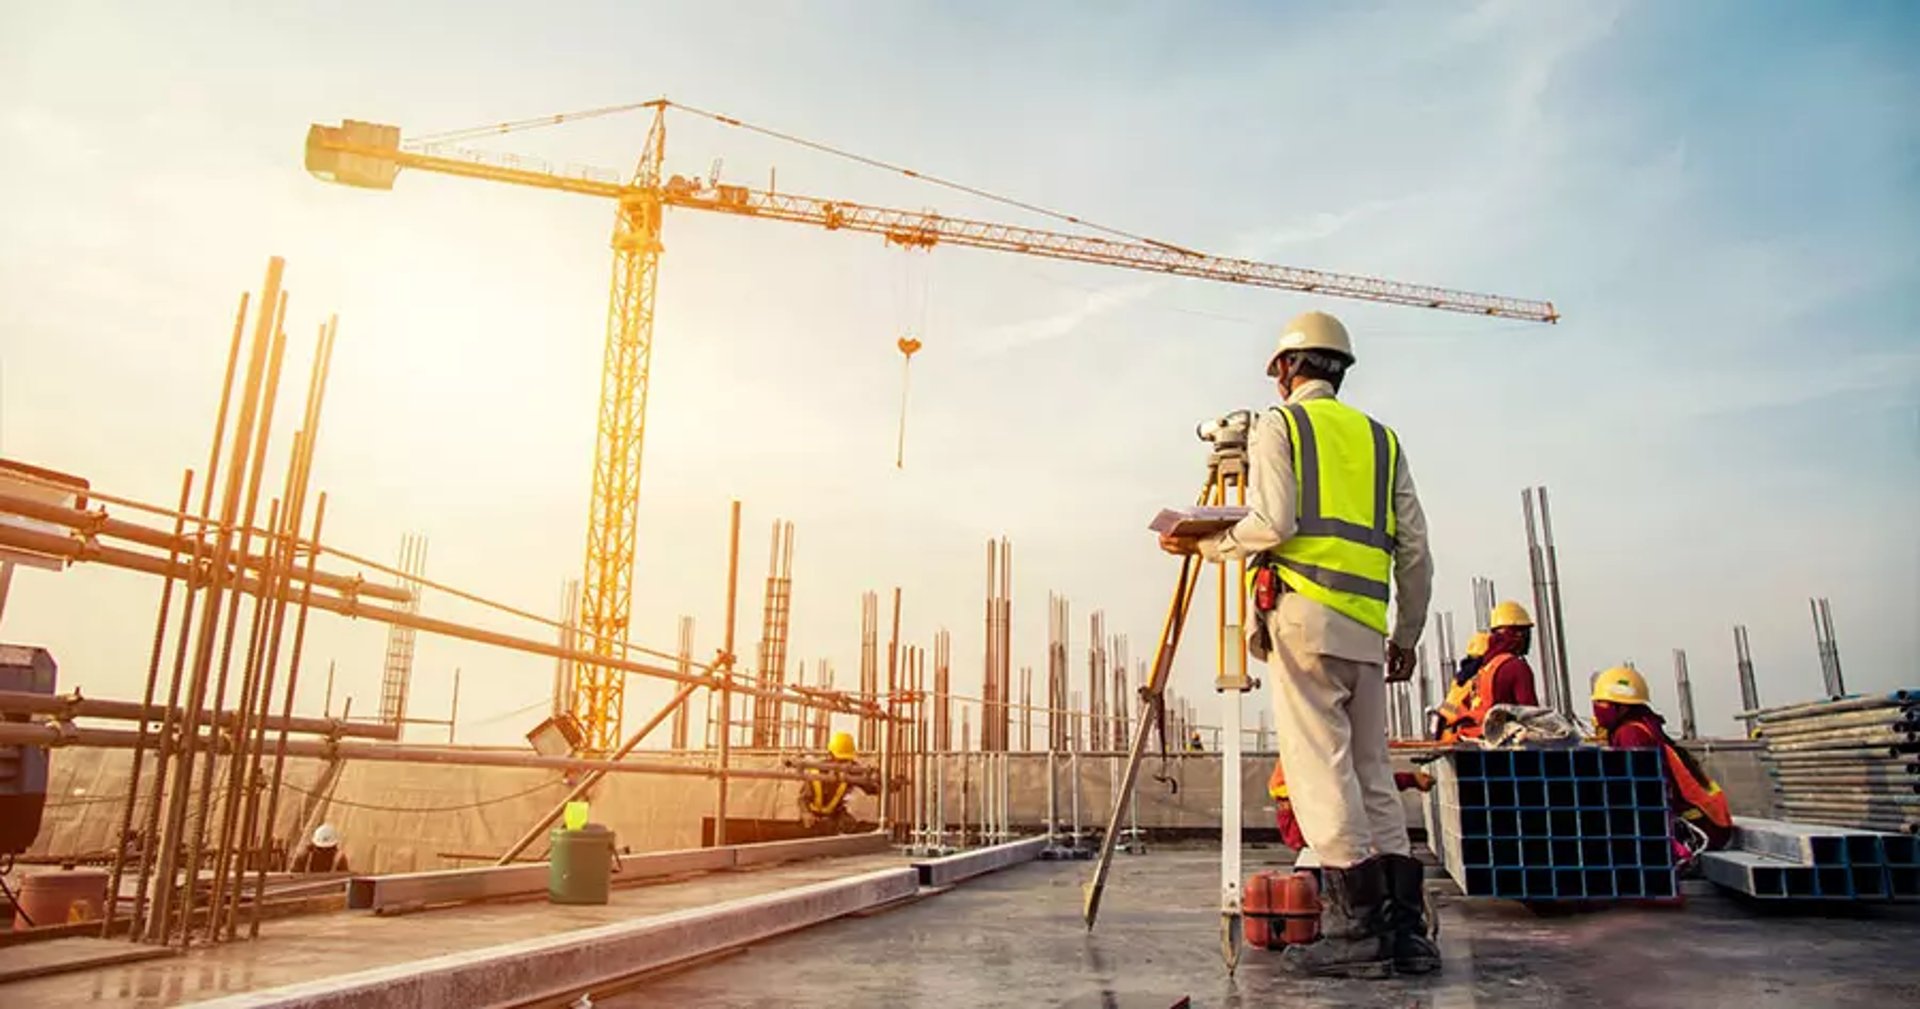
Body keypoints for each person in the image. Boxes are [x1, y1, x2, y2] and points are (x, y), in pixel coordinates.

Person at [1161, 309, 1436, 979]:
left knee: (1320, 773)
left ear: (1287, 369)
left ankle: (1355, 934)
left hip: (1305, 619)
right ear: (1339, 369)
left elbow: (1273, 521)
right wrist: (1407, 634)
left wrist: (1206, 542)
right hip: (1369, 630)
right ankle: (1407, 934)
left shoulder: (1280, 424)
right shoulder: (1383, 440)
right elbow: (1417, 551)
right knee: (1373, 772)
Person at [1592, 666, 1734, 859]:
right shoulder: (1645, 726)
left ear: (1622, 706)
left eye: (1603, 703)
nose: (1598, 708)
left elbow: (1643, 790)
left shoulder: (1631, 733)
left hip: (1698, 826)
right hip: (1708, 822)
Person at [1434, 602, 1540, 742]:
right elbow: (1531, 716)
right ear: (1518, 634)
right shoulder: (1516, 667)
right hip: (1502, 749)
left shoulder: (1482, 668)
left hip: (1473, 739)